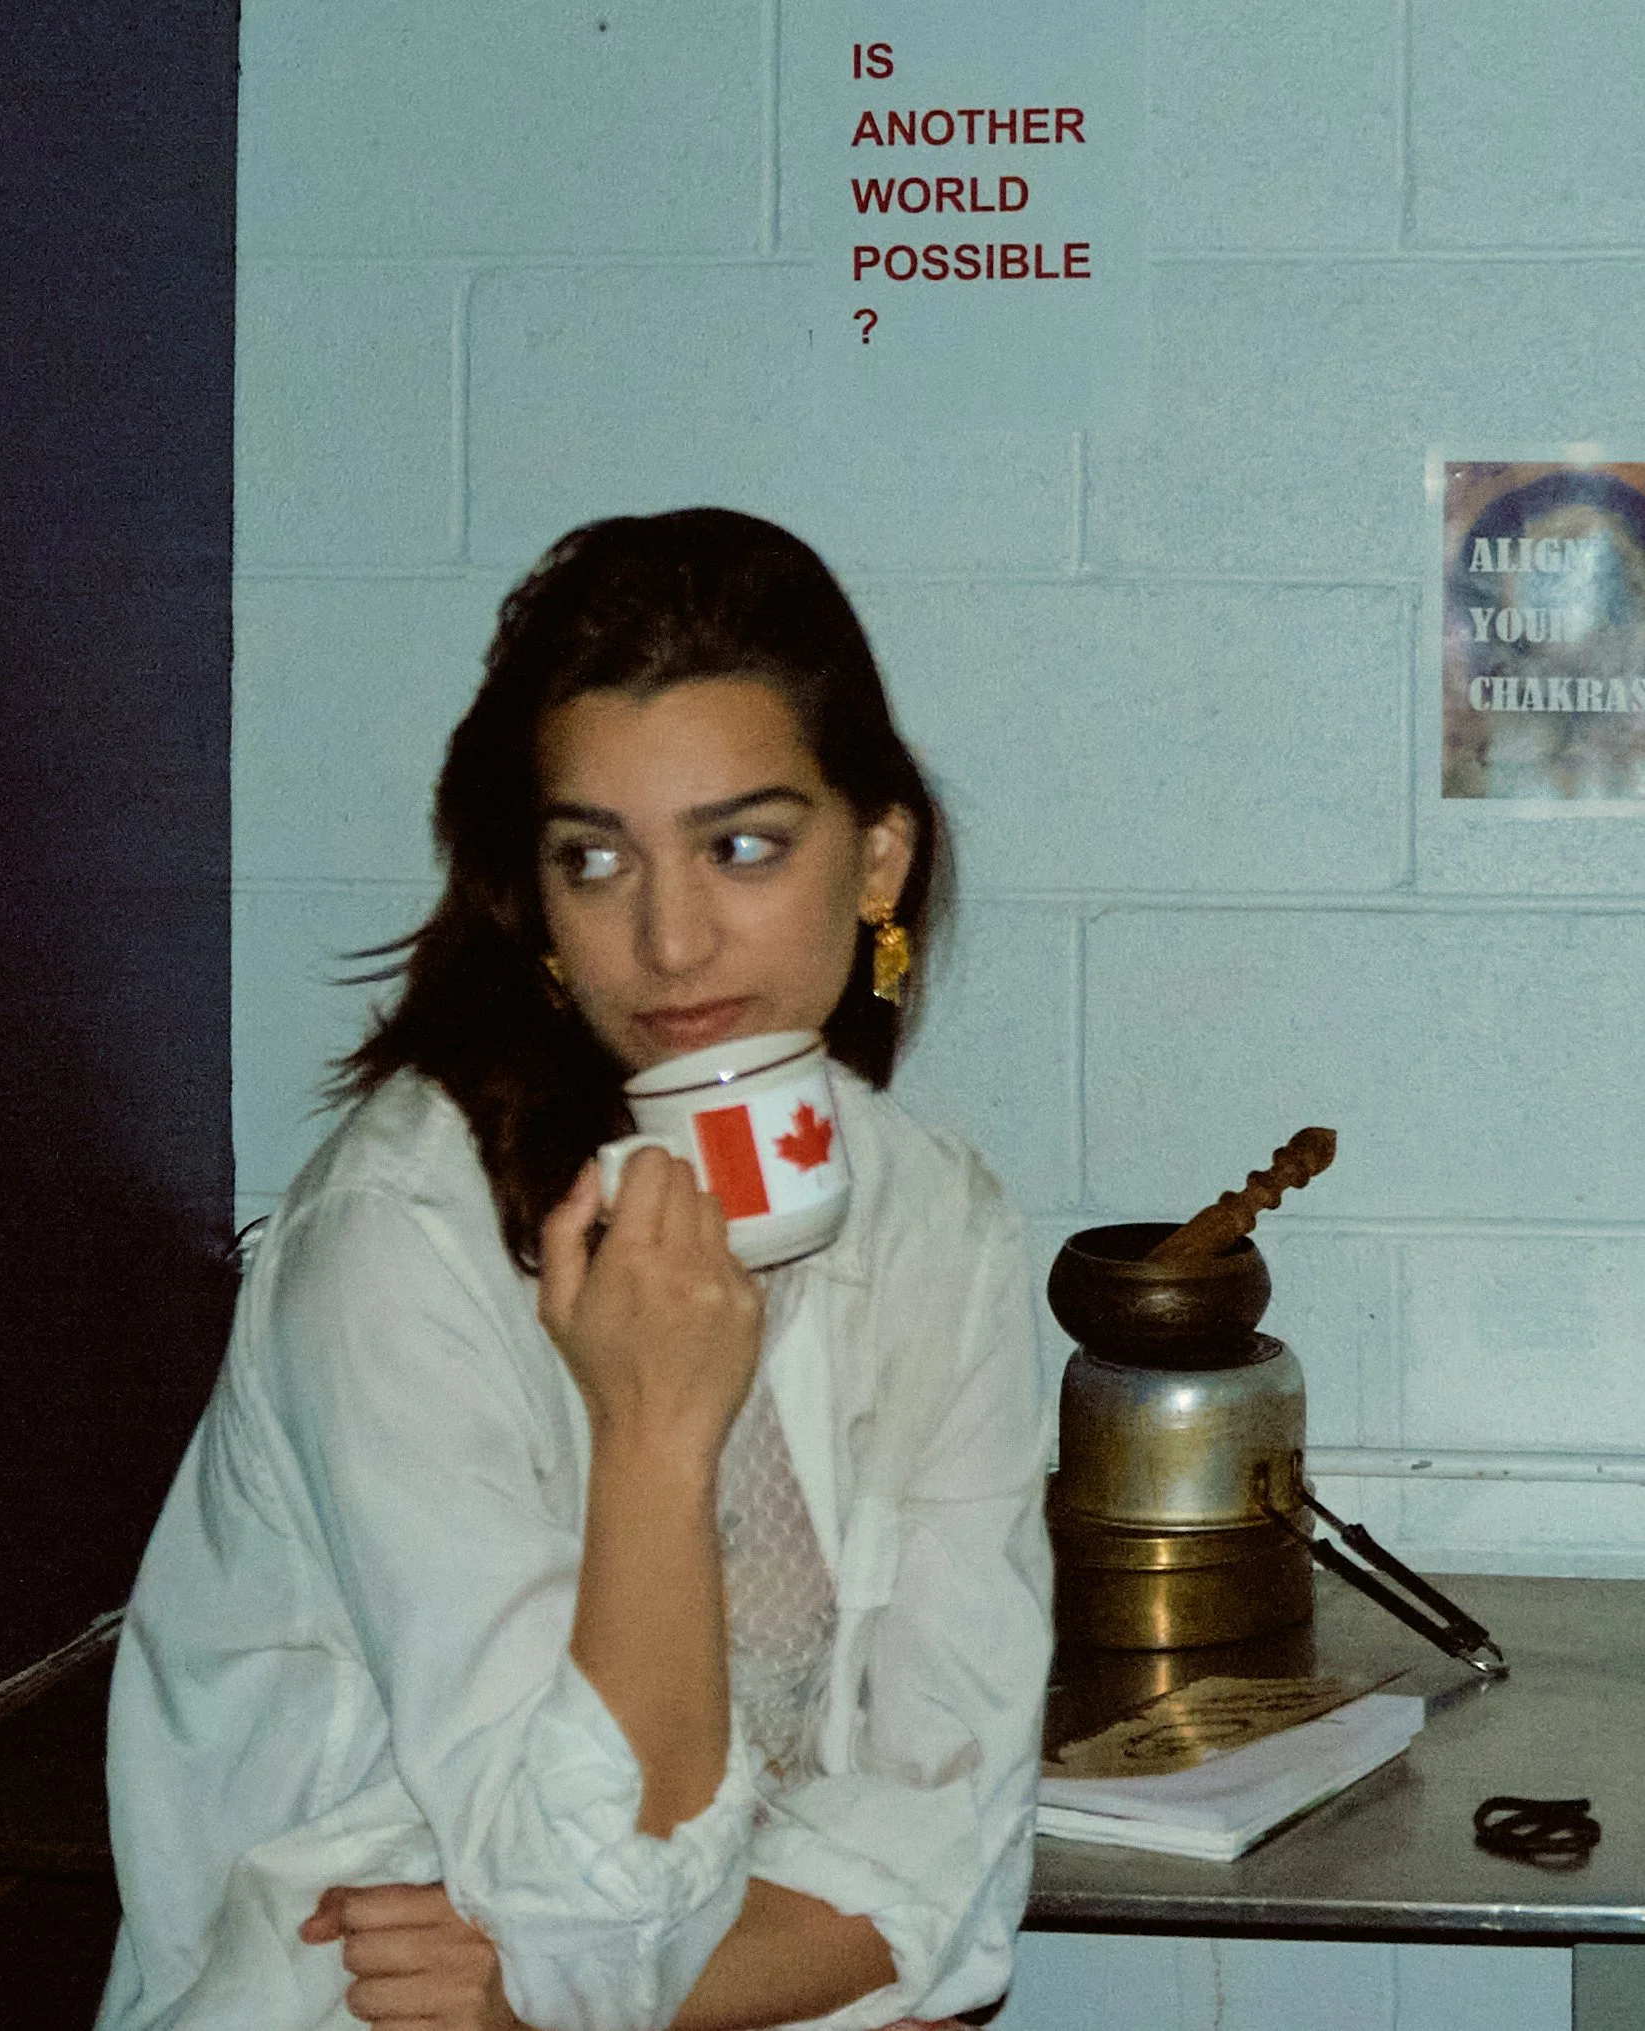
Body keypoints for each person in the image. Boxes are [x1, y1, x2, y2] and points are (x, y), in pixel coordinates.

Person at [96, 509, 1054, 2031]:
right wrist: (656, 1431)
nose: (670, 941)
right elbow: (590, 1905)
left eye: (743, 846)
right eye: (595, 860)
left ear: (879, 856)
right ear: (535, 901)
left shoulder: (938, 1223)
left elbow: (949, 1872)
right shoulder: (398, 1243)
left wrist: (558, 1999)